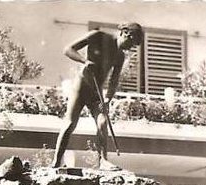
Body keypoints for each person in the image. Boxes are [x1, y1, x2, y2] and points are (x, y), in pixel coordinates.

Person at [52, 22, 143, 169]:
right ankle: (56, 162)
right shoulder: (97, 36)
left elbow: (114, 81)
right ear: (124, 33)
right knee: (70, 124)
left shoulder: (119, 56)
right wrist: (84, 61)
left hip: (96, 92)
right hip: (81, 86)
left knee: (102, 122)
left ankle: (103, 161)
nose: (129, 47)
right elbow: (68, 49)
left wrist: (107, 100)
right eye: (130, 42)